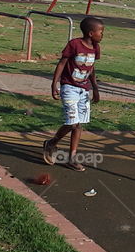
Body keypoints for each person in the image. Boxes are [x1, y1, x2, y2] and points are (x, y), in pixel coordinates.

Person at [43, 16, 104, 172]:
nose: (102, 34)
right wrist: (54, 84)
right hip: (69, 87)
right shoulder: (74, 44)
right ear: (91, 33)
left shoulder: (96, 48)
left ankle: (71, 158)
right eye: (100, 31)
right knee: (73, 123)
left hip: (84, 90)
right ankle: (53, 142)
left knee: (78, 125)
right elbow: (62, 63)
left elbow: (91, 68)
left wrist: (95, 88)